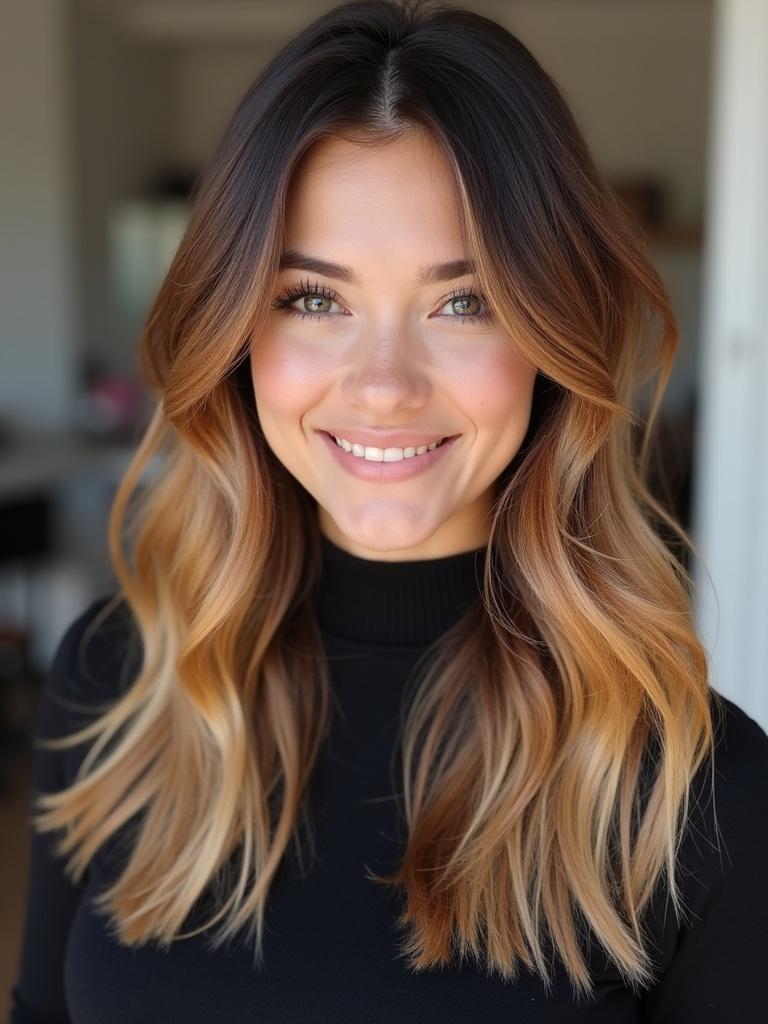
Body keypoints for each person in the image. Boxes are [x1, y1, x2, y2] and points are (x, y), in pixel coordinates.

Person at [9, 1, 768, 1020]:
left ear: (554, 335)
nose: (382, 385)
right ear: (233, 328)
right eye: (313, 299)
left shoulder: (703, 793)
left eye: (467, 301)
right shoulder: (116, 684)